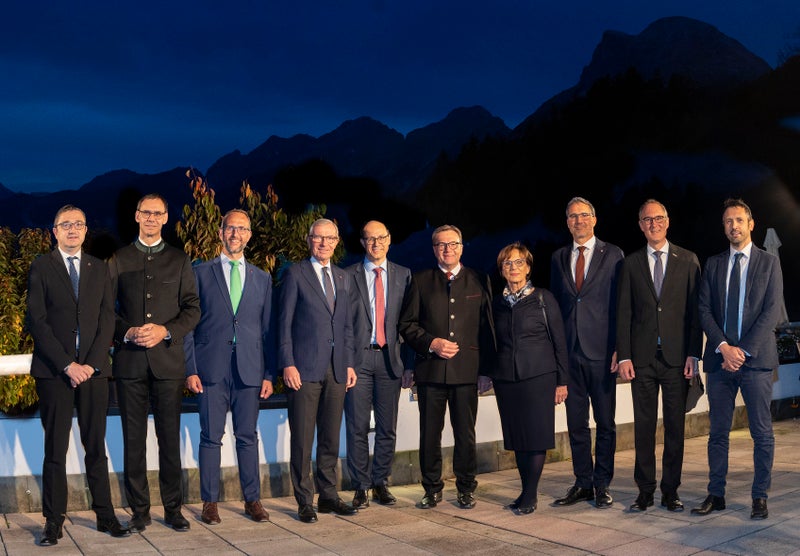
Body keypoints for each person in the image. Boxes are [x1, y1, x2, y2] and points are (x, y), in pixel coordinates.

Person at [27, 205, 131, 546]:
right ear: (55, 231)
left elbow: (107, 319)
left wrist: (90, 364)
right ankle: (53, 521)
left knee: (95, 446)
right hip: (54, 373)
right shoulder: (42, 266)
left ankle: (105, 516)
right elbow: (37, 321)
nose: (73, 229)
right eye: (66, 224)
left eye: (79, 224)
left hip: (93, 372)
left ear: (86, 231)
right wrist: (67, 365)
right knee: (55, 449)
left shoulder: (99, 268)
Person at [109, 193, 201, 532]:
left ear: (165, 218)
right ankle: (139, 510)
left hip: (168, 364)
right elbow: (106, 310)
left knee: (169, 440)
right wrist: (127, 331)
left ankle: (173, 509)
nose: (151, 218)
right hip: (130, 364)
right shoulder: (118, 258)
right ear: (136, 216)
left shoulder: (179, 259)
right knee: (133, 441)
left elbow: (192, 309)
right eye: (145, 212)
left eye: (157, 213)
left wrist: (165, 330)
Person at [692, 199, 783, 520]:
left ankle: (760, 497)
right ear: (724, 227)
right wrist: (723, 347)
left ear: (751, 224)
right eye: (728, 221)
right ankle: (716, 494)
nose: (734, 226)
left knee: (762, 433)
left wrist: (741, 351)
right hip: (720, 362)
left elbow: (771, 311)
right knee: (717, 433)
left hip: (756, 363)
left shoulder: (769, 263)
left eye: (739, 220)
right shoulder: (714, 264)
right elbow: (704, 309)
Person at [184, 209, 274, 525]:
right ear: (221, 232)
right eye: (230, 228)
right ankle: (210, 502)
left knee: (247, 436)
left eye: (242, 229)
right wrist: (190, 369)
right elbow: (189, 327)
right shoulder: (199, 273)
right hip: (210, 369)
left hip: (250, 369)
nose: (236, 234)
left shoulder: (263, 279)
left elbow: (268, 331)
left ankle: (253, 500)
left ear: (249, 235)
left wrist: (268, 374)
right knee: (210, 437)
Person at [399, 224, 494, 510]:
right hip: (430, 371)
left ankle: (466, 488)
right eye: (441, 244)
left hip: (467, 371)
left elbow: (487, 328)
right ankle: (431, 489)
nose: (447, 249)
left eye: (453, 244)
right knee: (430, 434)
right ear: (434, 249)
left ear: (461, 247)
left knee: (466, 434)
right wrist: (431, 343)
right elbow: (407, 325)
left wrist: (486, 370)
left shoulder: (479, 279)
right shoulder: (420, 280)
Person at [616, 199, 702, 513]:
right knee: (644, 428)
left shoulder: (688, 260)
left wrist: (694, 354)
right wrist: (624, 356)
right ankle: (645, 491)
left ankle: (670, 491)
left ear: (667, 221)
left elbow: (696, 313)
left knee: (675, 429)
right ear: (640, 225)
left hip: (678, 360)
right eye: (647, 219)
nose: (653, 224)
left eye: (658, 218)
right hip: (641, 360)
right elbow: (623, 313)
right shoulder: (630, 264)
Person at [278, 218, 358, 523]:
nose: (324, 243)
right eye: (318, 237)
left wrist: (348, 363)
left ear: (336, 243)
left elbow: (346, 326)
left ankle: (328, 496)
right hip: (303, 370)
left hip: (337, 370)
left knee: (330, 438)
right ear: (309, 240)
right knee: (302, 439)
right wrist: (288, 363)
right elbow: (283, 323)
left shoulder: (343, 277)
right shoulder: (294, 274)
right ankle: (304, 501)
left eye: (330, 238)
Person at [550, 197, 624, 509]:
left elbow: (622, 305)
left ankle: (602, 484)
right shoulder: (558, 258)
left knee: (605, 422)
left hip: (603, 353)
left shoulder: (614, 255)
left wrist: (621, 348)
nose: (578, 221)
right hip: (570, 354)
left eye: (583, 215)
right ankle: (583, 482)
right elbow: (556, 309)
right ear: (567, 222)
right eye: (572, 216)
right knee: (576, 424)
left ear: (594, 219)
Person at [490, 242, 568, 514]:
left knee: (535, 436)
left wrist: (562, 381)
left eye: (519, 262)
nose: (513, 267)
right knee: (518, 438)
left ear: (528, 267)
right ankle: (525, 491)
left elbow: (560, 342)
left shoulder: (544, 299)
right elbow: (490, 342)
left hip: (539, 377)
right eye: (507, 263)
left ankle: (531, 495)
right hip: (506, 379)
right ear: (502, 270)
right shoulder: (497, 304)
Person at [345, 220, 414, 508]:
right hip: (358, 361)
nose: (376, 243)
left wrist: (409, 365)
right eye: (370, 239)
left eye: (381, 237)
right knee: (357, 427)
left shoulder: (404, 275)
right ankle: (360, 486)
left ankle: (381, 482)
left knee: (387, 427)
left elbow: (410, 323)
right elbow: (343, 323)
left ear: (389, 239)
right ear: (363, 242)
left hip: (390, 360)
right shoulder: (347, 275)